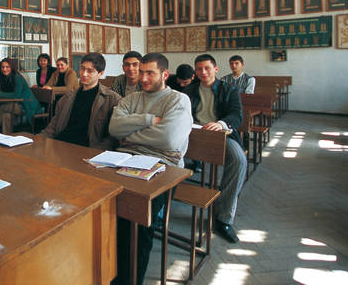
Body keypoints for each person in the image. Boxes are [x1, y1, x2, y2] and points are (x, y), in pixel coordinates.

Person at [109, 52, 192, 285]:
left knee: (137, 220)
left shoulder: (178, 100)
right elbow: (114, 128)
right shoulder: (132, 98)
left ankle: (129, 280)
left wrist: (130, 136)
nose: (143, 78)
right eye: (141, 72)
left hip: (163, 166)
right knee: (101, 206)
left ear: (165, 75)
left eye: (150, 73)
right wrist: (148, 120)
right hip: (125, 159)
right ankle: (105, 271)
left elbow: (169, 139)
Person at [184, 53, 247, 244]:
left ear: (216, 69)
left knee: (238, 160)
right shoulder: (188, 90)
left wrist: (221, 124)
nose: (203, 72)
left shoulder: (229, 90)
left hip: (219, 134)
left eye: (207, 68)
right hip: (192, 134)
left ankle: (223, 218)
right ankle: (161, 205)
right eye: (199, 69)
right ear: (195, 72)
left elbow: (237, 115)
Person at [40, 52, 121, 149]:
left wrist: (96, 151)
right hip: (60, 144)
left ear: (101, 73)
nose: (84, 74)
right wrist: (38, 140)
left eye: (90, 71)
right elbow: (53, 126)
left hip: (87, 149)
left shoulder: (112, 99)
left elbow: (113, 137)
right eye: (82, 68)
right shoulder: (67, 98)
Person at [0, 58, 40, 134]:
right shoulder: (3, 77)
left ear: (12, 67)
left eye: (7, 67)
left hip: (25, 105)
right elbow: (5, 93)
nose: (4, 69)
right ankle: (6, 135)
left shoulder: (17, 77)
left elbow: (16, 95)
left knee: (0, 108)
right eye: (3, 67)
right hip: (15, 104)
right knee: (7, 115)